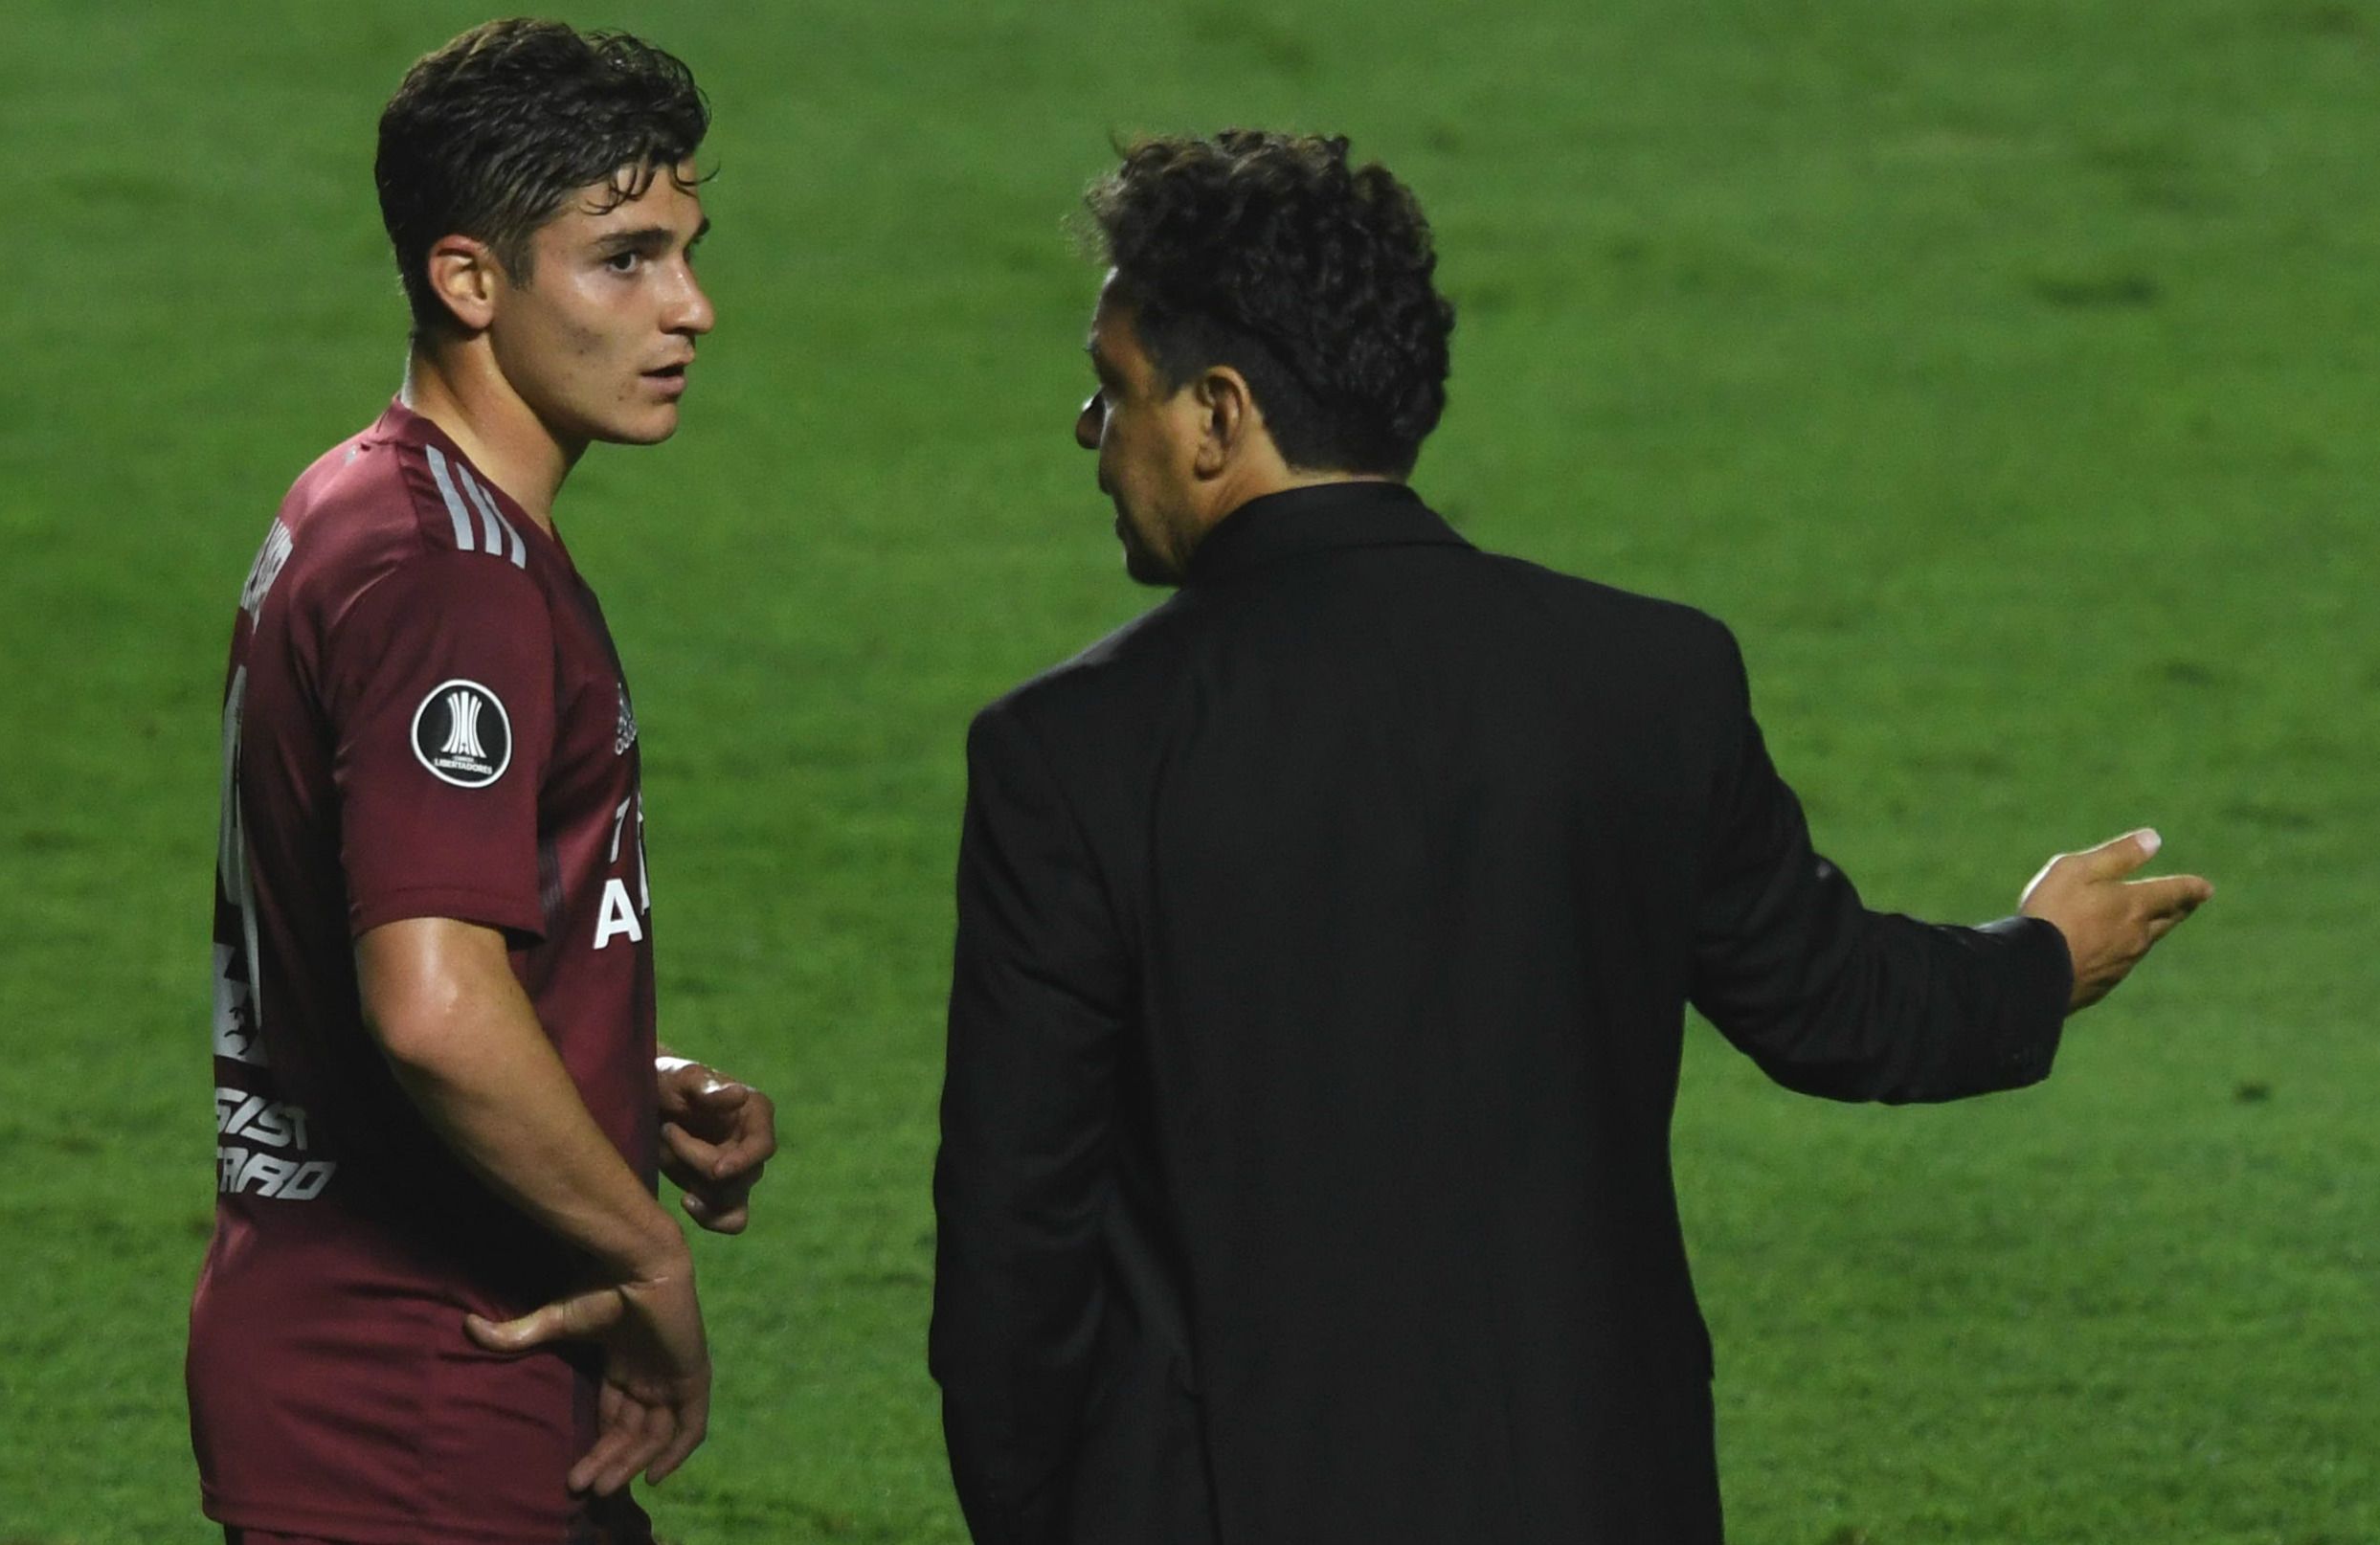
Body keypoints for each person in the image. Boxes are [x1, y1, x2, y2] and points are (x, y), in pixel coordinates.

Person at [929, 130, 2212, 1545]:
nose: (1090, 435)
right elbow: (1835, 1006)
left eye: (1114, 392)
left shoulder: (1071, 752)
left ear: (1220, 415)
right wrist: (2040, 955)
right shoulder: (1646, 679)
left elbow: (1015, 1244)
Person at [188, 21, 775, 1545]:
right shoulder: (454, 579)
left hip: (364, 1364)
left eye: (688, 251)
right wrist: (649, 1258)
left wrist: (597, 1082)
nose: (691, 308)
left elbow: (371, 931)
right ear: (468, 278)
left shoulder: (355, 496)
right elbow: (434, 1007)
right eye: (626, 259)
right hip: (421, 1395)